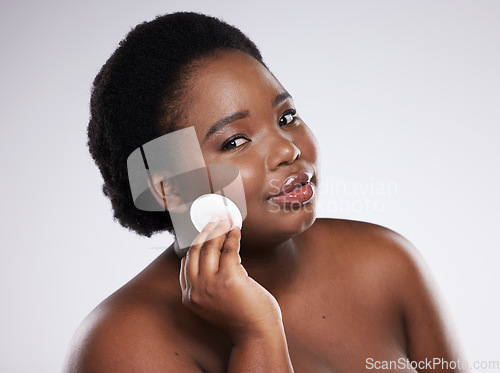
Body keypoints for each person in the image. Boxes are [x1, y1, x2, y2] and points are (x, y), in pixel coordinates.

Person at [64, 12, 467, 372]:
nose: (287, 149)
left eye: (286, 117)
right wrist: (258, 337)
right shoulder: (121, 343)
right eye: (235, 141)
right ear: (170, 187)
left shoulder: (385, 261)